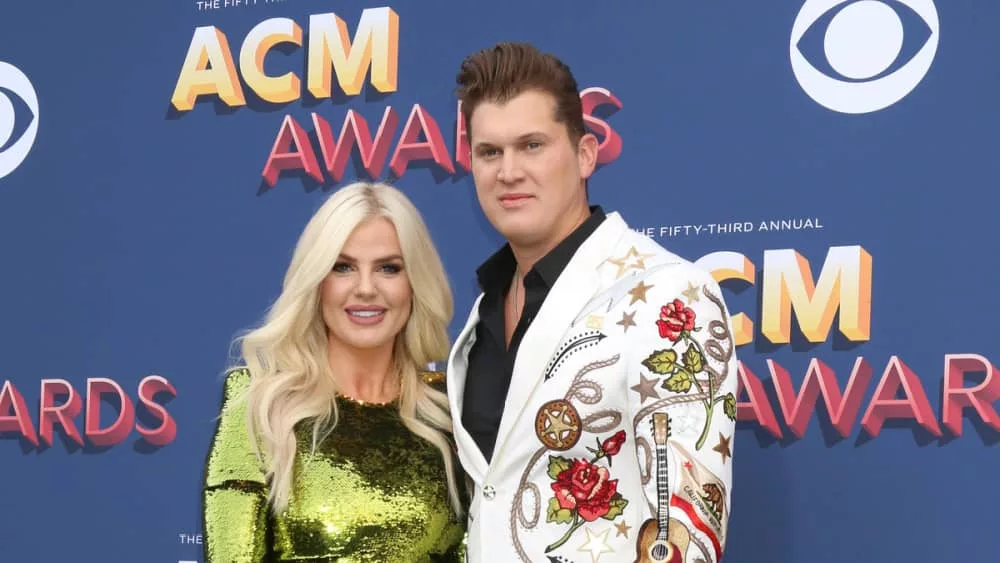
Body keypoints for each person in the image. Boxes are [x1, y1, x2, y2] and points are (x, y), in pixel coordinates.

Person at [446, 42, 739, 563]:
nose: (507, 171)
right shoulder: (482, 313)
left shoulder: (670, 294)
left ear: (584, 155)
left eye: (531, 145)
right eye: (489, 152)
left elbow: (685, 535)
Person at [201, 181, 467, 562]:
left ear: (415, 283)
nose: (365, 288)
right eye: (342, 267)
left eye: (388, 268)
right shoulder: (259, 405)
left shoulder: (453, 409)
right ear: (317, 282)